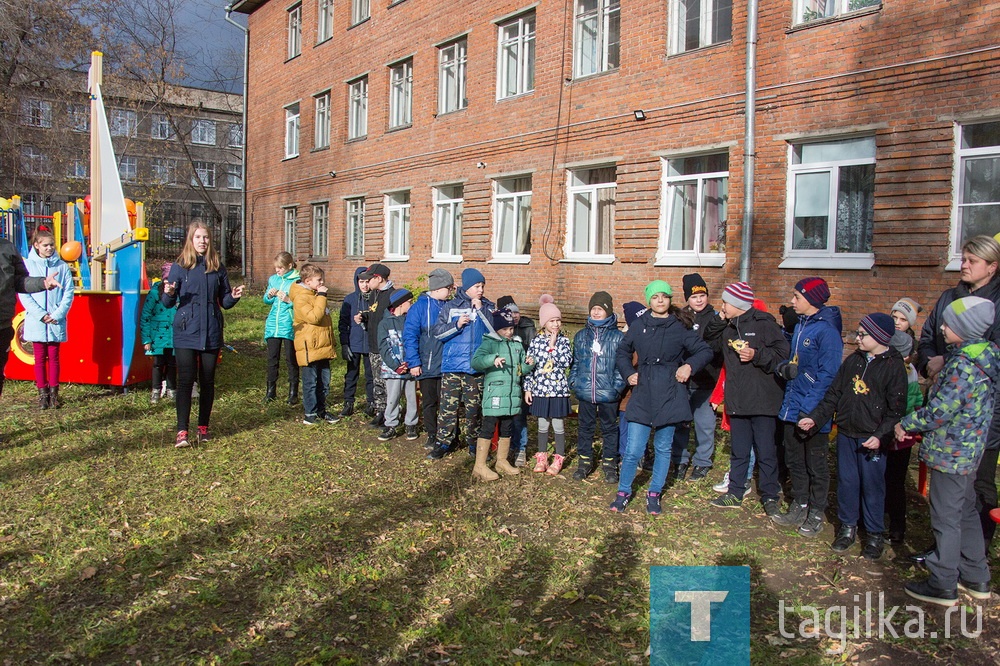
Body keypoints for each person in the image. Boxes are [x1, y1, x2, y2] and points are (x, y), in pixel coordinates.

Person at [896, 296, 998, 606]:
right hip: (971, 449)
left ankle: (942, 582)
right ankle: (976, 574)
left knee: (945, 517)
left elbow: (940, 410)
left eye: (948, 324)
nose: (941, 327)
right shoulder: (987, 354)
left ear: (965, 330)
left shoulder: (964, 365)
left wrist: (907, 423)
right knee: (966, 510)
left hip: (951, 451)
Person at [916, 235, 1000, 558]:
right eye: (963, 258)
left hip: (983, 414)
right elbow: (927, 337)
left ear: (991, 268)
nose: (963, 265)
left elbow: (987, 357)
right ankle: (945, 551)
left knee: (977, 485)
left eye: (971, 261)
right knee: (946, 491)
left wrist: (949, 361)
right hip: (945, 410)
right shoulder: (950, 296)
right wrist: (928, 362)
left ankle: (975, 552)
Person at [799, 313, 906, 560]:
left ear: (879, 337)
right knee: (847, 482)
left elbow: (895, 410)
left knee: (872, 486)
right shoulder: (854, 361)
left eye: (862, 334)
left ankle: (874, 534)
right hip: (848, 432)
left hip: (872, 438)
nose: (857, 338)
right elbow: (833, 394)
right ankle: (847, 527)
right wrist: (815, 417)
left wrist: (881, 436)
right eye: (858, 333)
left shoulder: (893, 366)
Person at [610, 280, 713, 515]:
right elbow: (622, 351)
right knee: (634, 449)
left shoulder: (680, 326)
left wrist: (688, 366)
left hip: (670, 392)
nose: (660, 300)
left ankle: (654, 493)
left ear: (669, 299)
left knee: (663, 447)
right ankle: (623, 492)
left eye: (664, 296)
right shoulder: (638, 325)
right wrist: (628, 373)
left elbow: (704, 351)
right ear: (649, 300)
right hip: (643, 392)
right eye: (655, 297)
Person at [702, 282, 789, 515]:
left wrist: (756, 355)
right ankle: (735, 492)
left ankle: (770, 495)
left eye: (726, 302)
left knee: (765, 450)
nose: (722, 306)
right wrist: (720, 317)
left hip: (762, 400)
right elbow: (707, 337)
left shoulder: (764, 323)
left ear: (739, 304)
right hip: (738, 399)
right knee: (739, 450)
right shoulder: (729, 327)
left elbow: (783, 355)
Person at [161, 221, 244, 447]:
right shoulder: (180, 266)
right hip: (186, 330)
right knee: (186, 381)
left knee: (207, 381)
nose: (202, 241)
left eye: (205, 237)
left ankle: (203, 427)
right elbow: (168, 302)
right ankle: (182, 431)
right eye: (198, 237)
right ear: (191, 239)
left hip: (211, 331)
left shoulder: (217, 266)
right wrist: (168, 292)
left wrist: (233, 296)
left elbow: (225, 301)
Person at [771, 278, 843, 537]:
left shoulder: (827, 332)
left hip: (811, 412)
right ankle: (799, 503)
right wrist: (784, 368)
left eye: (796, 297)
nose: (792, 301)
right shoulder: (801, 326)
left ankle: (816, 512)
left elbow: (828, 375)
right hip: (791, 406)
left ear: (811, 300)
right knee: (794, 460)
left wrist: (810, 411)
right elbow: (794, 361)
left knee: (816, 464)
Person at [428, 267, 495, 460]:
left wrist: (481, 310)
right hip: (452, 367)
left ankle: (474, 444)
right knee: (448, 408)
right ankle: (444, 442)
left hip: (476, 368)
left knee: (474, 409)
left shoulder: (488, 306)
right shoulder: (450, 307)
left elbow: (494, 331)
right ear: (466, 287)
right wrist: (456, 325)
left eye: (482, 286)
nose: (481, 289)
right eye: (476, 286)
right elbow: (438, 333)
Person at [470, 307, 534, 481]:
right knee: (489, 426)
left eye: (511, 328)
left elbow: (521, 368)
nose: (508, 332)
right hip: (495, 393)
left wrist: (528, 364)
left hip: (512, 394)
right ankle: (480, 465)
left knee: (507, 426)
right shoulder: (490, 342)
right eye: (504, 329)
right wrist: (492, 359)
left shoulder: (517, 344)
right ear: (497, 328)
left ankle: (502, 461)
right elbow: (476, 362)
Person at [670, 274, 723, 483]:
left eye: (702, 295)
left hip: (706, 381)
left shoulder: (716, 319)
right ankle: (680, 459)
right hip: (682, 381)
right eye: (694, 296)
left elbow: (717, 349)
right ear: (687, 299)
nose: (699, 300)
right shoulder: (681, 318)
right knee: (681, 422)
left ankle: (702, 462)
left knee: (705, 424)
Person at [569, 290, 625, 482]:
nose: (596, 312)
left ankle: (609, 463)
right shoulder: (581, 336)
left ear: (608, 311)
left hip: (608, 393)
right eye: (593, 308)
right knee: (585, 428)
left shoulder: (618, 337)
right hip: (585, 392)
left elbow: (621, 367)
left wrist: (616, 387)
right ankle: (584, 461)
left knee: (609, 429)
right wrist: (574, 382)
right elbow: (575, 362)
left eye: (600, 309)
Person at [19, 226, 74, 409]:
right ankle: (42, 394)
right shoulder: (28, 265)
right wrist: (41, 315)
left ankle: (54, 394)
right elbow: (24, 293)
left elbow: (68, 293)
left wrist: (57, 314)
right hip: (37, 319)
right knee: (40, 357)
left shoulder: (62, 267)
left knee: (54, 356)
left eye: (52, 245)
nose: (49, 248)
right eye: (45, 245)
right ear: (36, 245)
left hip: (55, 319)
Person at [404, 269, 454, 448]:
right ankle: (432, 434)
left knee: (447, 403)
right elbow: (410, 336)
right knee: (430, 401)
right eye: (449, 288)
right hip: (427, 363)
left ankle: (447, 434)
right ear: (438, 288)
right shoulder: (419, 307)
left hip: (447, 364)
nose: (451, 291)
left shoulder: (450, 305)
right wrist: (414, 362)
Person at [525, 295, 573, 476]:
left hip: (558, 391)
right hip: (541, 390)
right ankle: (542, 456)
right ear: (544, 323)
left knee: (558, 424)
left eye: (558, 320)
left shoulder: (564, 341)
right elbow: (530, 366)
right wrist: (528, 388)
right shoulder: (536, 342)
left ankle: (559, 456)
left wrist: (553, 347)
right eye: (552, 321)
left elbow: (566, 362)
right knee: (542, 424)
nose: (555, 324)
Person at [885, 329, 923, 545]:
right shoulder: (911, 372)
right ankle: (894, 524)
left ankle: (897, 525)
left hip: (898, 434)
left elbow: (910, 402)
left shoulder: (904, 373)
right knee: (894, 480)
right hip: (902, 434)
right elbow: (917, 400)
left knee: (893, 481)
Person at [290, 263, 338, 426]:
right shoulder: (302, 297)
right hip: (310, 347)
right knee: (311, 382)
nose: (322, 282)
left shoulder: (314, 294)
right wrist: (322, 297)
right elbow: (314, 318)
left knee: (324, 381)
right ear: (308, 280)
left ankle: (321, 411)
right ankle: (310, 414)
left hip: (322, 346)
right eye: (319, 280)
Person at [497, 294, 536, 466]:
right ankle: (506, 447)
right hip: (505, 378)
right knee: (505, 414)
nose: (515, 316)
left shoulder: (528, 326)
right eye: (510, 313)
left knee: (520, 415)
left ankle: (521, 447)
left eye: (516, 312)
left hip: (522, 377)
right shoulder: (498, 331)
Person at [378, 288, 418, 442]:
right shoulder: (385, 323)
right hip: (393, 370)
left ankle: (411, 424)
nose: (411, 304)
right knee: (393, 397)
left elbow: (414, 342)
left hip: (410, 367)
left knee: (411, 397)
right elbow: (384, 347)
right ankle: (391, 424)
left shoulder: (410, 320)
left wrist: (411, 362)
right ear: (400, 304)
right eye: (409, 302)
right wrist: (396, 365)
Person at [357, 263, 393, 427]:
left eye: (368, 279)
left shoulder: (392, 296)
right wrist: (364, 317)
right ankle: (380, 411)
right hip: (373, 346)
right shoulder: (374, 295)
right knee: (377, 381)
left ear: (378, 279)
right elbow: (374, 314)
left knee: (388, 382)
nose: (366, 283)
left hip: (386, 347)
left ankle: (391, 414)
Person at [262, 252, 300, 405]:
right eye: (276, 268)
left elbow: (300, 303)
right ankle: (270, 391)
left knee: (291, 359)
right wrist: (270, 295)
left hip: (288, 324)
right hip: (273, 325)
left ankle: (293, 392)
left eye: (280, 268)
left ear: (289, 266)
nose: (277, 271)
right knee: (272, 359)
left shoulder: (297, 281)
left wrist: (288, 300)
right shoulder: (273, 279)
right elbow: (265, 300)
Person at [337, 267, 373, 418]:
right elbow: (343, 323)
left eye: (367, 282)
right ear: (356, 282)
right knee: (351, 374)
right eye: (361, 282)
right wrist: (344, 344)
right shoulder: (350, 299)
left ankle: (372, 402)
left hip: (371, 344)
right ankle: (348, 402)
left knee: (371, 375)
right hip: (354, 343)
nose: (364, 285)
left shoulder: (375, 299)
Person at [141, 263, 177, 404]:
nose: (169, 284)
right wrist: (146, 339)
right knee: (158, 363)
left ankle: (171, 388)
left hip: (174, 335)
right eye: (166, 281)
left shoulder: (177, 294)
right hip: (158, 335)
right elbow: (146, 316)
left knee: (172, 363)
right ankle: (156, 389)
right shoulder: (155, 294)